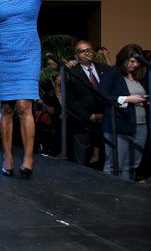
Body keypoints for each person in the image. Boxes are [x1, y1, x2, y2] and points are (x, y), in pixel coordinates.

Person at [0, 0, 67, 178]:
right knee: (7, 108)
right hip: (3, 55)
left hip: (28, 55)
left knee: (25, 106)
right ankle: (8, 155)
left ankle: (30, 156)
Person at [98, 43, 149, 181]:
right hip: (119, 124)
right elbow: (101, 97)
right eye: (132, 61)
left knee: (132, 164)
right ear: (124, 58)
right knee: (114, 164)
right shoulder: (112, 73)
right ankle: (110, 195)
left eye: (138, 62)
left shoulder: (141, 76)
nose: (135, 65)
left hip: (140, 124)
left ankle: (128, 194)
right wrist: (127, 99)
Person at [64, 40, 111, 169]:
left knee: (104, 160)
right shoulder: (71, 73)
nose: (87, 53)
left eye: (89, 50)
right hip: (83, 123)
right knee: (82, 162)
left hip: (105, 121)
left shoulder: (104, 69)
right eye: (82, 51)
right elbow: (70, 100)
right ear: (76, 56)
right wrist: (89, 116)